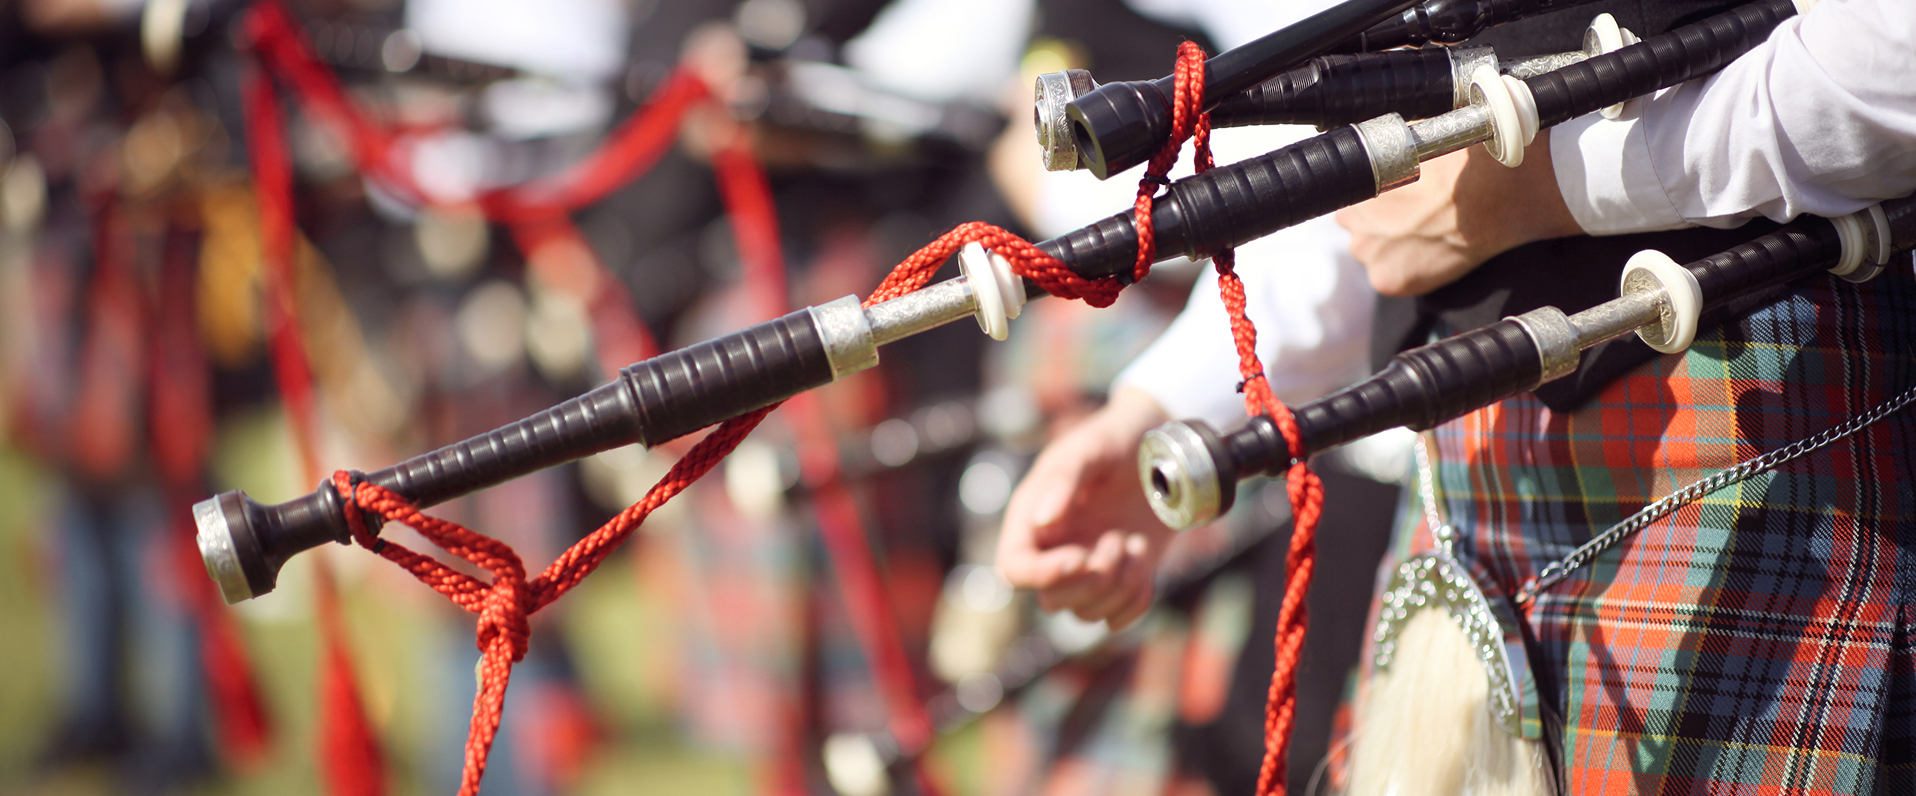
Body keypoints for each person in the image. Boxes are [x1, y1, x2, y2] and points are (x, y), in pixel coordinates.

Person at [1002, 0, 1916, 790]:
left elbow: (1890, 63)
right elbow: (1384, 174)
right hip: (1467, 468)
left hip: (1769, 441)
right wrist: (1162, 407)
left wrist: (1532, 194)